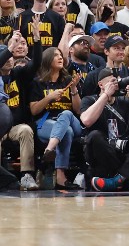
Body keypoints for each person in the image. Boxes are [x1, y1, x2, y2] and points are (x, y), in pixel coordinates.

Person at [81, 69, 129, 191]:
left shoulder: (125, 102)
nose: (115, 84)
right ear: (100, 84)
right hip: (102, 155)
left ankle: (118, 180)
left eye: (117, 81)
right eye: (111, 81)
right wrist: (105, 95)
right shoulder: (89, 100)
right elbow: (86, 120)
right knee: (94, 136)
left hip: (123, 153)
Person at [29, 47, 82, 189]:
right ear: (47, 60)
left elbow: (78, 109)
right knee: (67, 132)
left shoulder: (68, 80)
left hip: (72, 121)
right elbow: (34, 110)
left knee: (67, 114)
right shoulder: (38, 83)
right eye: (55, 55)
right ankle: (60, 177)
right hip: (46, 122)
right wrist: (49, 98)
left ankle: (49, 150)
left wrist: (74, 89)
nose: (60, 58)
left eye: (61, 55)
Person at [0, 30, 41, 190]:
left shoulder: (18, 74)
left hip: (13, 127)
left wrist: (37, 42)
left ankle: (26, 176)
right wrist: (9, 48)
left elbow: (36, 63)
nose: (9, 59)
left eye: (10, 56)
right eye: (6, 56)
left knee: (25, 130)